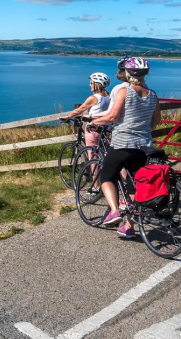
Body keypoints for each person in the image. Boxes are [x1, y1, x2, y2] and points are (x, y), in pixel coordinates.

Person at [90, 57, 161, 239]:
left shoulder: (124, 90)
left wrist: (93, 122)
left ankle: (114, 211)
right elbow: (155, 122)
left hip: (123, 143)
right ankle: (128, 227)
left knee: (107, 175)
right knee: (133, 184)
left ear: (128, 73)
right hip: (144, 145)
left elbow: (112, 117)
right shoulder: (152, 94)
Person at [65, 73, 111, 157]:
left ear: (97, 84)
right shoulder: (109, 97)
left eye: (91, 83)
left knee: (93, 155)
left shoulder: (93, 98)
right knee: (104, 153)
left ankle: (94, 170)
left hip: (93, 128)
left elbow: (79, 110)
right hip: (106, 128)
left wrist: (68, 116)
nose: (90, 85)